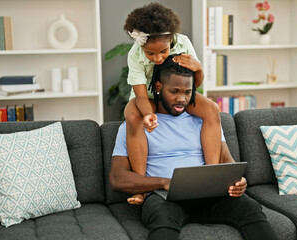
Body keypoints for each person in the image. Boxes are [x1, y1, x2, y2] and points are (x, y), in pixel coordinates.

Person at [109, 56, 278, 240]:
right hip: (163, 198)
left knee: (251, 208)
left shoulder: (205, 121)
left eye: (187, 92)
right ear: (158, 87)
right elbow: (117, 178)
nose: (181, 99)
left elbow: (226, 160)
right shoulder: (136, 124)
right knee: (162, 220)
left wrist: (237, 181)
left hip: (210, 195)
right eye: (174, 91)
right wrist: (164, 183)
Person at [123, 2, 221, 204]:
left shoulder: (183, 42)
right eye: (150, 54)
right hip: (149, 96)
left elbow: (194, 86)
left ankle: (213, 177)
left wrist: (199, 69)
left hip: (177, 93)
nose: (157, 58)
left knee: (212, 109)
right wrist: (148, 114)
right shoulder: (134, 54)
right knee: (132, 113)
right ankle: (142, 187)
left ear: (172, 40)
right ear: (141, 46)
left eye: (163, 51)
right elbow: (141, 96)